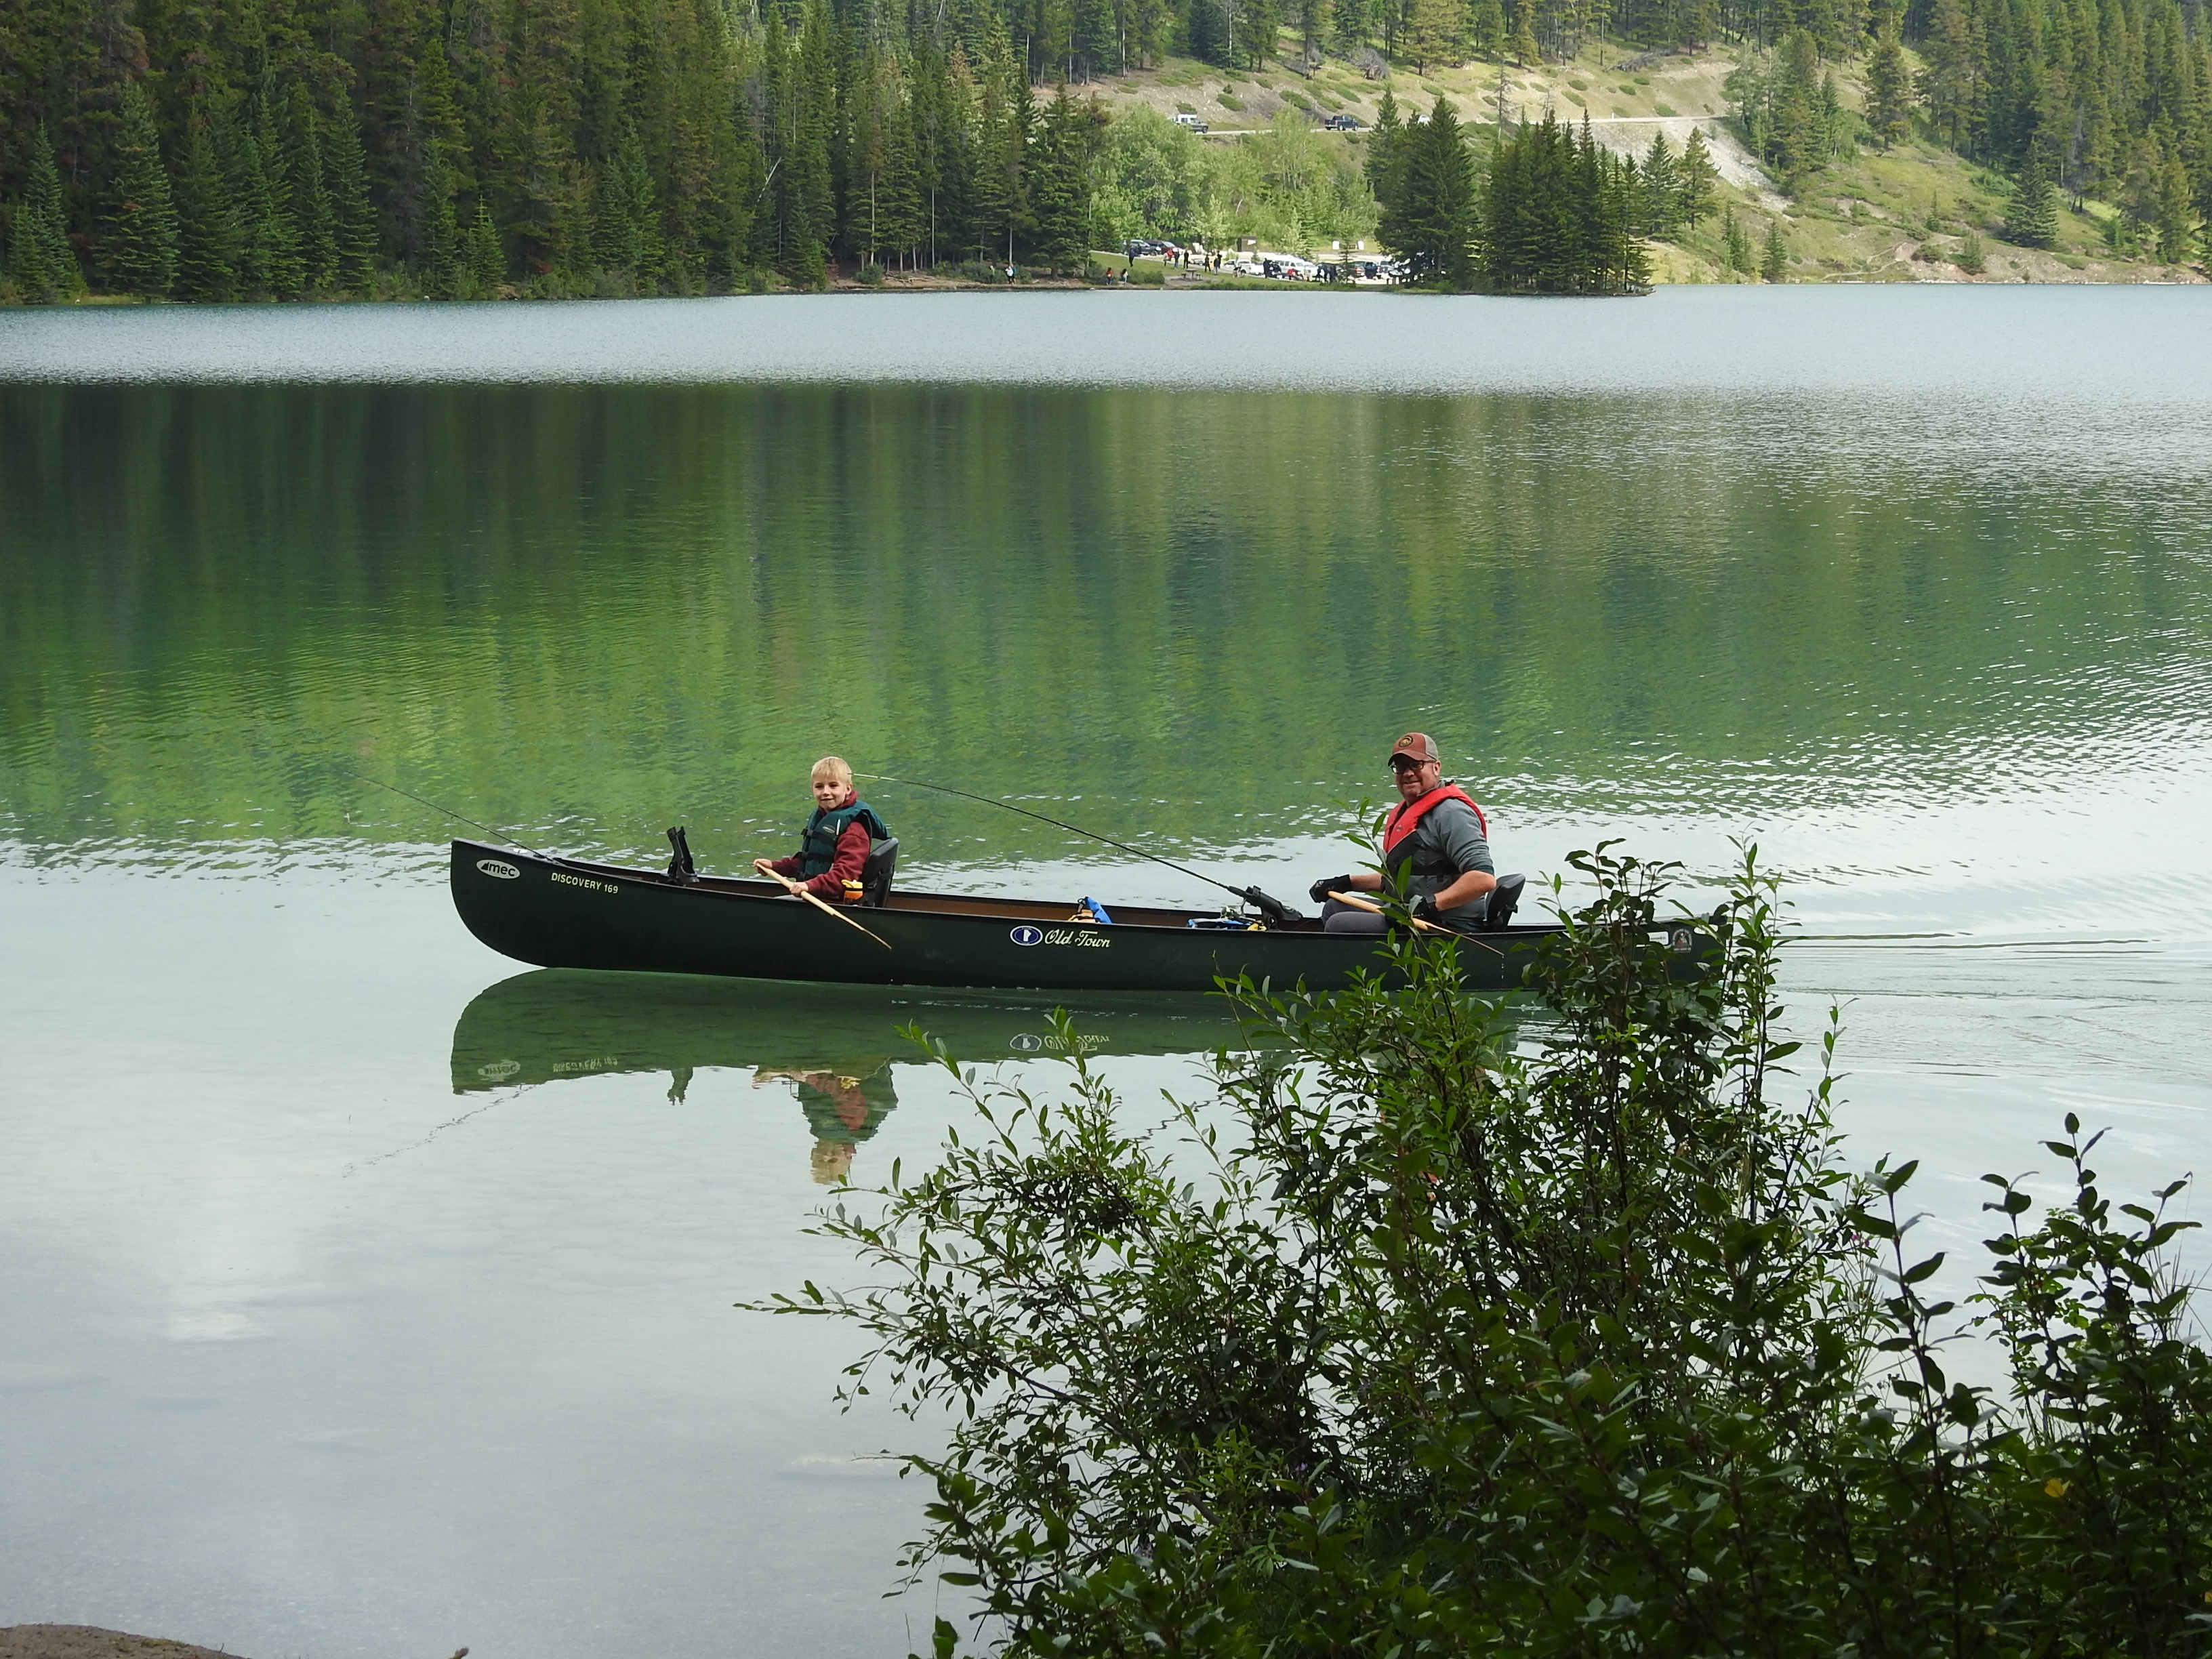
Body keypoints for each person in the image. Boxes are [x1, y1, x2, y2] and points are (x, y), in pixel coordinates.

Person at [1307, 733, 1496, 933]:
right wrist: (1346, 882)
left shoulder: (1452, 813)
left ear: (1436, 767)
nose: (1407, 773)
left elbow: (1483, 878)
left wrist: (1429, 905)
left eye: (1416, 765)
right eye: (1400, 766)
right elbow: (1396, 880)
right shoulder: (1407, 811)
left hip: (1446, 924)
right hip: (1408, 914)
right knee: (1333, 907)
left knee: (1339, 925)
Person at [754, 756, 889, 903]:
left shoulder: (854, 829)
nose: (825, 792)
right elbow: (811, 862)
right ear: (812, 789)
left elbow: (846, 876)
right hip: (816, 895)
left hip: (835, 903)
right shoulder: (822, 816)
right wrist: (775, 866)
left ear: (848, 789)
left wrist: (809, 885)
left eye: (833, 785)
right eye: (819, 787)